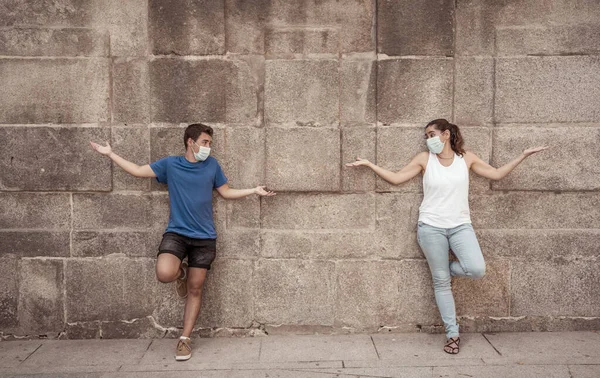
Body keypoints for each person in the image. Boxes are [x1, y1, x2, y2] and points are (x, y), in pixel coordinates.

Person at [346, 119, 547, 354]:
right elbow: (397, 178)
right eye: (426, 136)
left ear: (446, 134)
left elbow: (496, 174)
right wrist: (370, 164)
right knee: (441, 283)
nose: (428, 139)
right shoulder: (424, 159)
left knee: (476, 269)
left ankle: (445, 269)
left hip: (461, 225)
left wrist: (522, 156)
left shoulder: (467, 158)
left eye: (432, 134)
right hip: (431, 227)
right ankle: (453, 334)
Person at [90, 123, 275, 361]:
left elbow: (226, 192)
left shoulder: (212, 166)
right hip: (177, 233)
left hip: (205, 238)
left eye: (210, 143)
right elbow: (137, 171)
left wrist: (254, 190)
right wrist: (110, 153)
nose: (208, 147)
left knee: (195, 288)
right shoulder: (170, 165)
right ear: (191, 141)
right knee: (165, 273)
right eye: (205, 142)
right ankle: (180, 273)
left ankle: (185, 339)